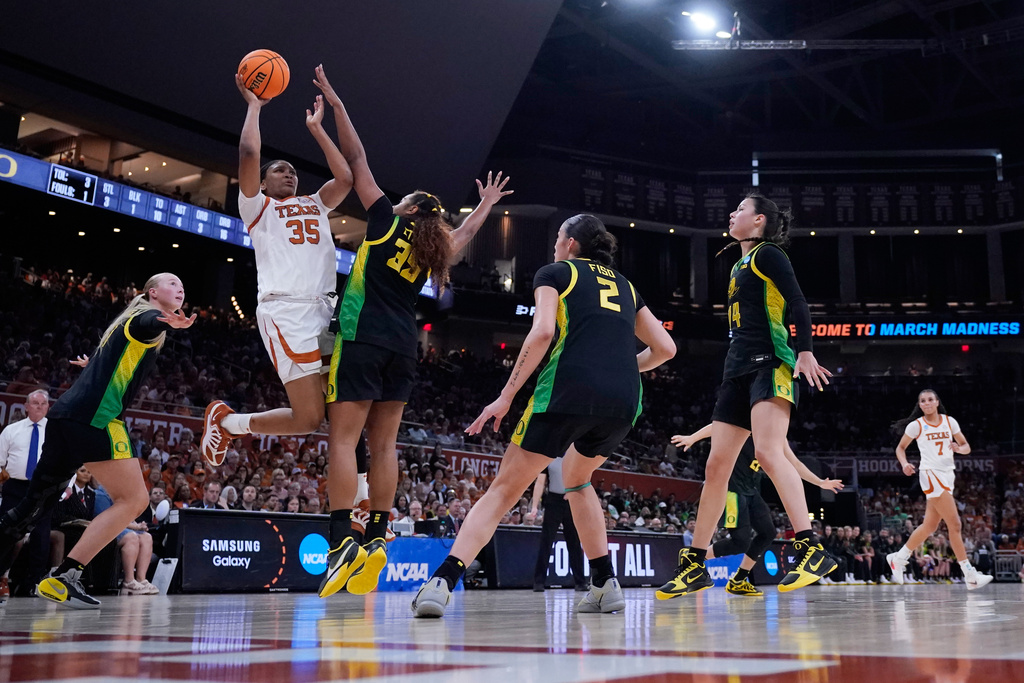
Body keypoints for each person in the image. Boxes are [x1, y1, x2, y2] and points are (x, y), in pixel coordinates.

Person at [310, 65, 514, 599]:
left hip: (361, 335)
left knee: (343, 438)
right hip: (404, 346)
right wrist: (487, 206)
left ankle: (338, 541)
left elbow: (357, 160)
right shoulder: (432, 248)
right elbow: (464, 232)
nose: (394, 200)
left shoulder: (384, 221)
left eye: (404, 201)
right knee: (384, 445)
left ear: (412, 209)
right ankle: (377, 536)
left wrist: (336, 103)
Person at [411, 214, 676, 617]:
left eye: (557, 237)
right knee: (577, 480)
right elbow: (666, 349)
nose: (554, 244)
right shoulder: (626, 286)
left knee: (503, 490)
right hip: (623, 402)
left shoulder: (556, 272)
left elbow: (542, 332)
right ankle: (605, 583)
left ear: (571, 244)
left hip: (567, 392)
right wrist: (618, 368)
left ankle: (441, 583)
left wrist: (504, 396)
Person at [657, 195, 835, 600]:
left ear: (758, 220)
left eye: (739, 209)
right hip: (735, 371)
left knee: (770, 453)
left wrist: (805, 349)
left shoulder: (769, 254)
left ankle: (810, 547)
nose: (731, 214)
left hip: (770, 363)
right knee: (716, 468)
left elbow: (798, 301)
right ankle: (695, 564)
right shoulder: (738, 264)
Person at [0, 273, 194, 609]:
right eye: (172, 283)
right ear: (152, 292)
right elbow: (149, 322)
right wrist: (165, 321)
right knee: (134, 501)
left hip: (65, 417)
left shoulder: (123, 325)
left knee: (30, 509)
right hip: (98, 419)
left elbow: (113, 361)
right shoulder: (144, 320)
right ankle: (65, 577)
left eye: (182, 285)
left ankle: (55, 577)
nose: (180, 288)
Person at [200, 73, 355, 466]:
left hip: (325, 312)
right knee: (309, 418)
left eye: (293, 171)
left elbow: (346, 179)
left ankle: (361, 500)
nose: (290, 173)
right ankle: (230, 423)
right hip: (286, 312)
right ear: (264, 184)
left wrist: (317, 129)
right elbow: (249, 155)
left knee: (337, 412)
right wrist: (254, 107)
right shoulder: (259, 210)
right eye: (280, 170)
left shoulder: (317, 203)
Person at [671, 425, 843, 595]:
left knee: (768, 533)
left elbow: (795, 464)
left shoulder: (777, 434)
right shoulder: (751, 421)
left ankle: (738, 580)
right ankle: (692, 559)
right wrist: (693, 437)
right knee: (741, 542)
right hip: (732, 490)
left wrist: (820, 482)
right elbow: (718, 425)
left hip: (751, 489)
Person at [886, 390, 993, 590]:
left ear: (937, 402)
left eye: (930, 400)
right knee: (955, 524)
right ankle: (969, 574)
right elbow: (900, 448)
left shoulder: (949, 421)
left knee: (930, 526)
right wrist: (904, 464)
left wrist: (960, 449)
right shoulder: (916, 425)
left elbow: (966, 446)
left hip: (947, 474)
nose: (926, 403)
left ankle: (898, 558)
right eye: (922, 401)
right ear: (920, 405)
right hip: (930, 474)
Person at [0, 390, 52, 600]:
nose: (39, 406)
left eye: (43, 403)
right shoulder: (11, 431)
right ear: (26, 406)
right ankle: (2, 578)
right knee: (6, 534)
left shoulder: (56, 431)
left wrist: (67, 488)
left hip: (44, 488)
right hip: (15, 487)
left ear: (48, 407)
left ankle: (33, 583)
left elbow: (68, 461)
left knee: (41, 537)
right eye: (35, 403)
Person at [530, 456, 587, 592]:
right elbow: (540, 482)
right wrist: (534, 505)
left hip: (570, 501)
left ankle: (580, 582)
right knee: (546, 541)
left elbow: (583, 479)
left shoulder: (574, 458)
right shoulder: (549, 457)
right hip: (553, 501)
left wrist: (574, 493)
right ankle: (539, 582)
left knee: (574, 542)